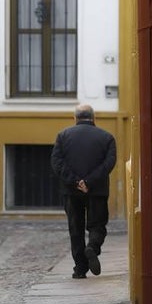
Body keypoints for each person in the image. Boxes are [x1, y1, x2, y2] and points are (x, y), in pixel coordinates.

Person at [50, 104, 117, 279]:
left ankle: (80, 269)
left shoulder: (63, 136)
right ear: (94, 118)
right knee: (97, 224)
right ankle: (92, 247)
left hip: (70, 191)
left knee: (75, 228)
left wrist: (75, 181)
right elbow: (109, 163)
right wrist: (89, 182)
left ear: (75, 118)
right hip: (97, 190)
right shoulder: (107, 137)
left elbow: (57, 163)